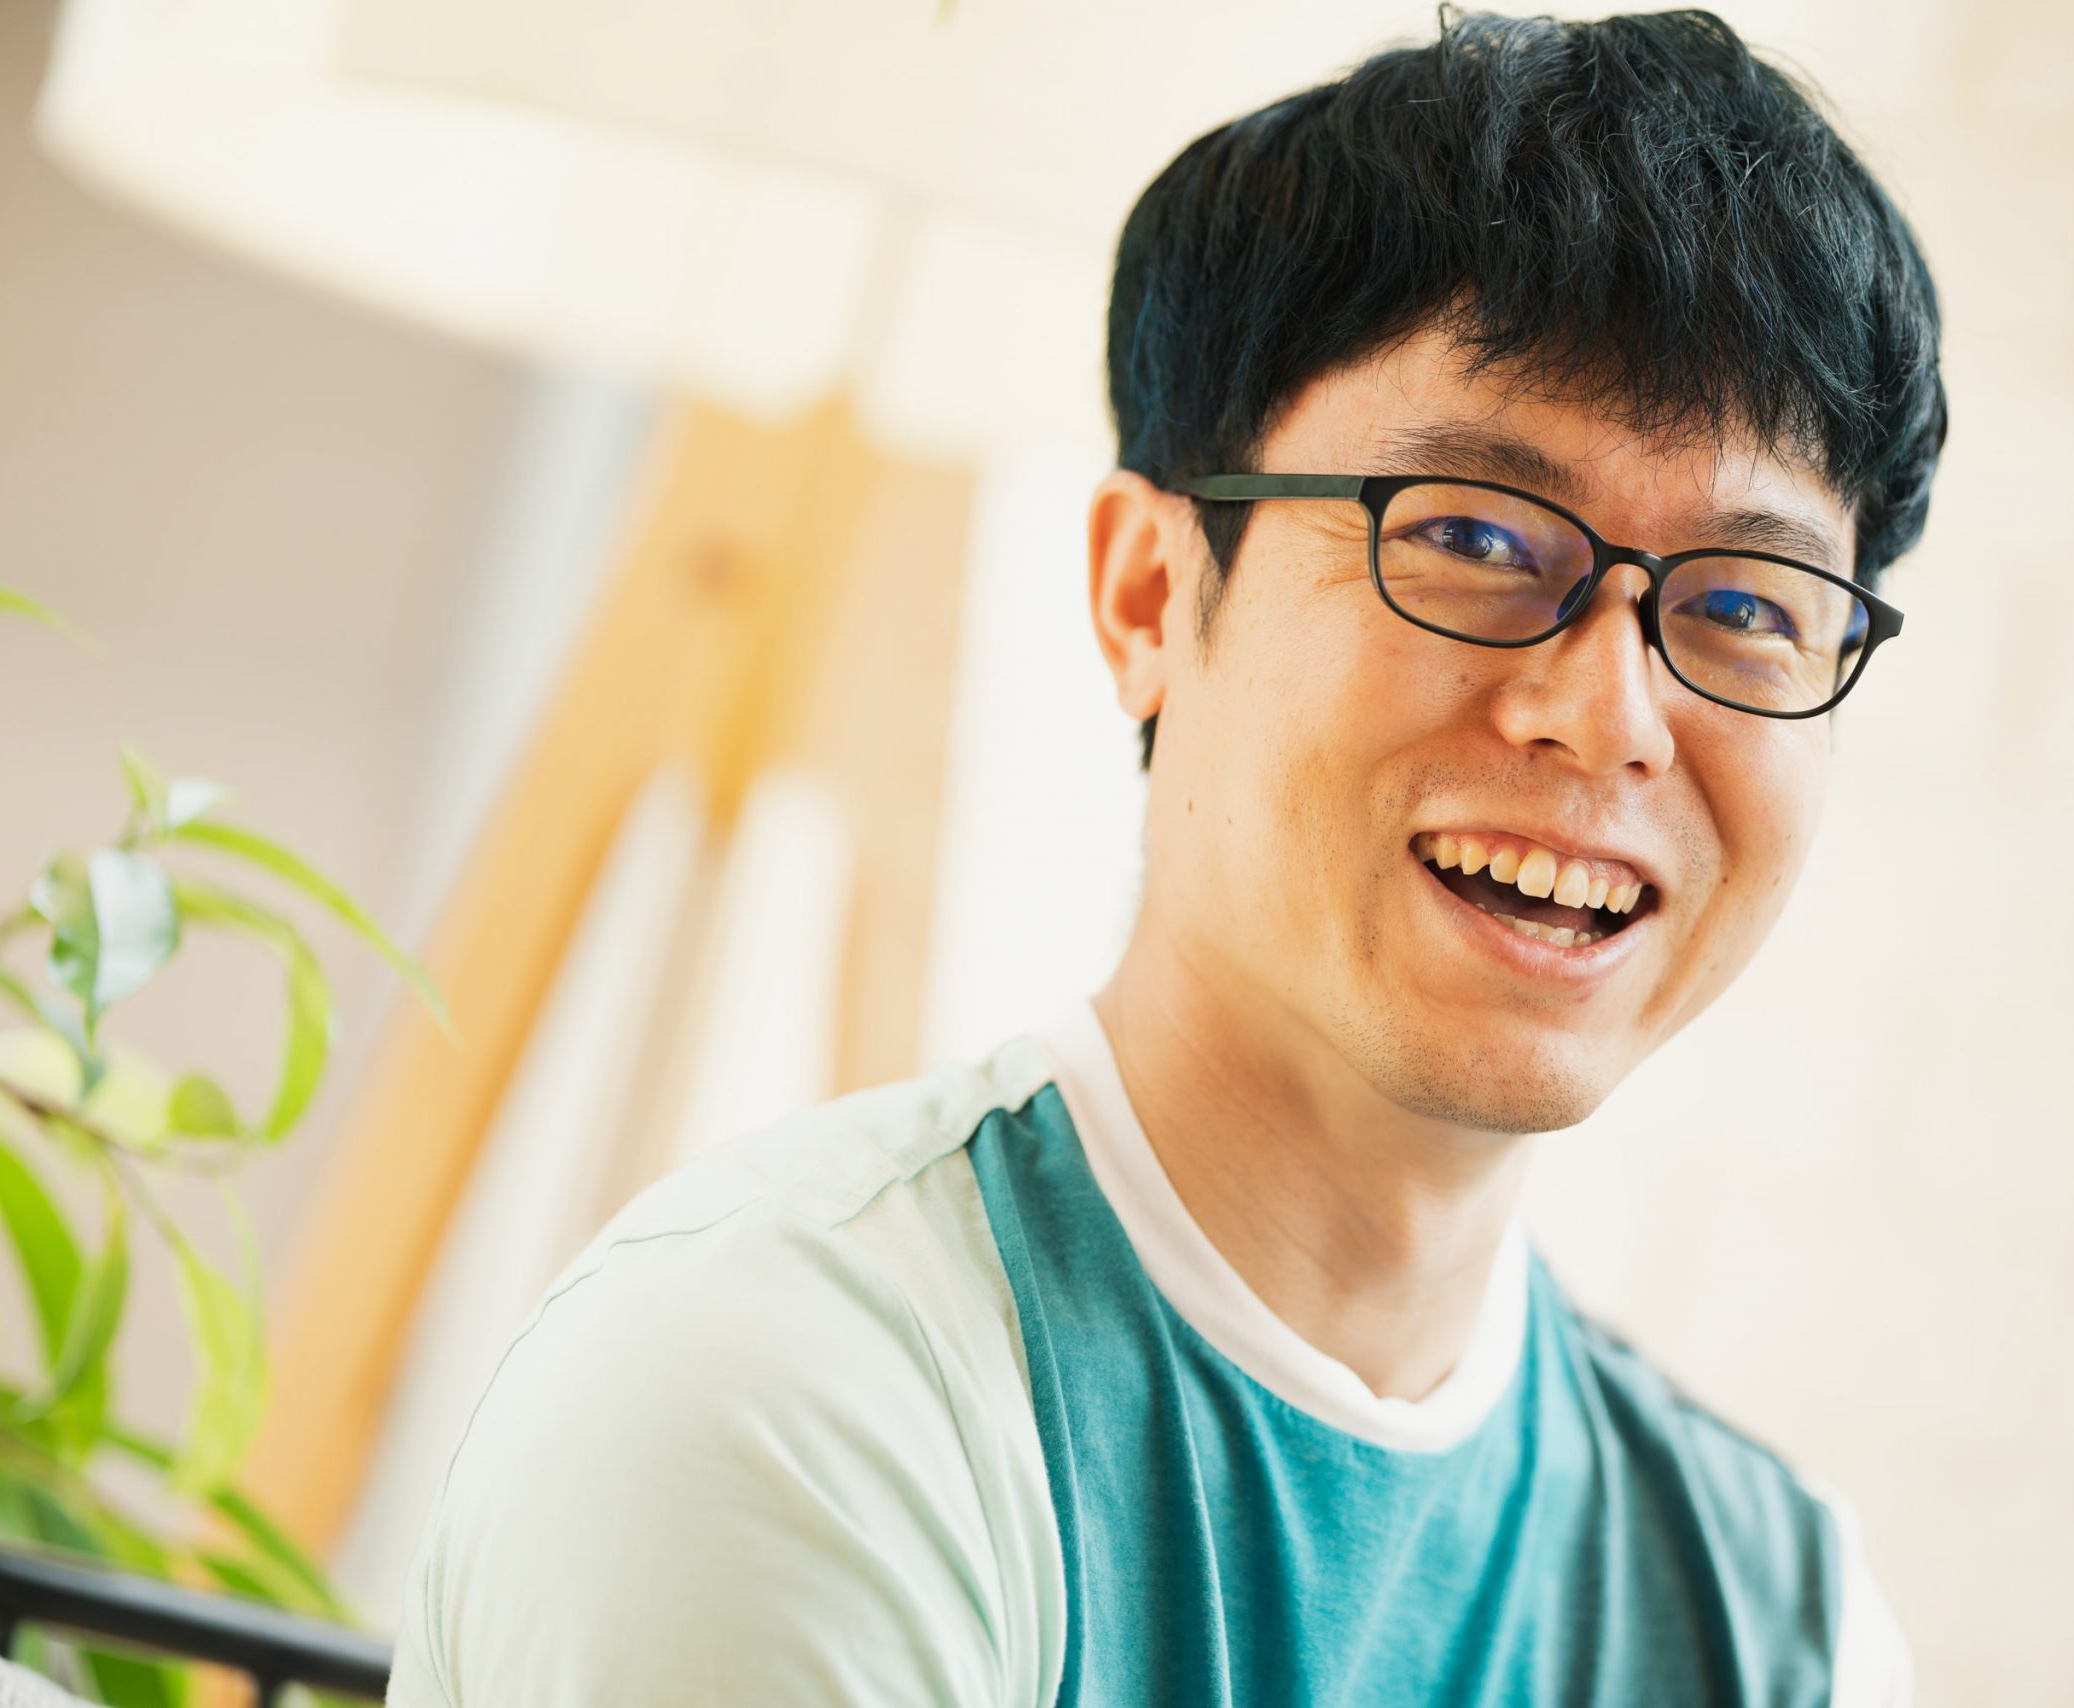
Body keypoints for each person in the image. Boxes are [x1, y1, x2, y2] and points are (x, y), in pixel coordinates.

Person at [385, 9, 1946, 1705]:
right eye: (1473, 537)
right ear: (1148, 595)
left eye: (1748, 607)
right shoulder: (787, 1400)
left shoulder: (1776, 1612)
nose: (1609, 715)